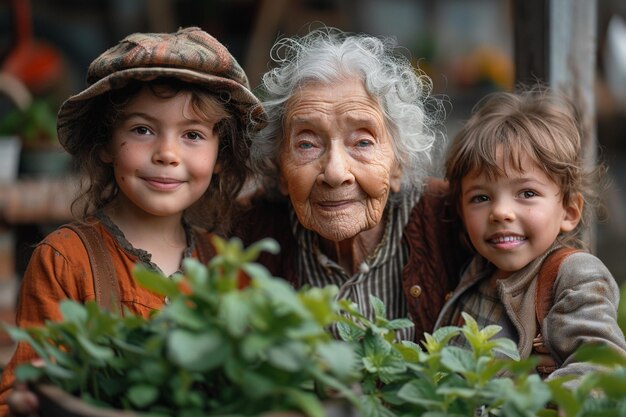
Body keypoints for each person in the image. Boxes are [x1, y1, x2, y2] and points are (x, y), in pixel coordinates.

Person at [0, 26, 265, 415]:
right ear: (107, 144)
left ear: (220, 156)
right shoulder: (66, 259)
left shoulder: (226, 267)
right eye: (142, 130)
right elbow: (21, 395)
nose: (167, 154)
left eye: (192, 135)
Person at [236, 27, 470, 342]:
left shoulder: (456, 218)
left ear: (398, 163)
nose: (335, 173)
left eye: (361, 142)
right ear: (279, 168)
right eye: (307, 144)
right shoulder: (245, 234)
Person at [434, 88, 626, 380]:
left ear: (569, 211)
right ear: (461, 211)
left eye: (526, 193)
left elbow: (600, 365)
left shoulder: (575, 274)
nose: (500, 212)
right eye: (481, 198)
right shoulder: (476, 270)